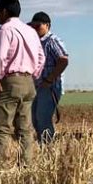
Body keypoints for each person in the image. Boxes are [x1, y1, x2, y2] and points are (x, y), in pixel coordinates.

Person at [0, 0, 45, 164]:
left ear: (5, 11)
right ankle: (26, 165)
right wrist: (33, 75)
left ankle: (2, 166)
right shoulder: (31, 31)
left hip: (11, 81)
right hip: (29, 83)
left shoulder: (5, 30)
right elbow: (41, 57)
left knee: (1, 127)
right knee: (25, 128)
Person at [28, 12, 69, 144]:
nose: (34, 28)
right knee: (35, 119)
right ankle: (43, 146)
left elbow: (63, 60)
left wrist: (50, 79)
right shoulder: (35, 42)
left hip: (49, 86)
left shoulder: (52, 41)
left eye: (38, 25)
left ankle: (48, 149)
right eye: (32, 26)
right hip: (37, 86)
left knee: (43, 118)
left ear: (47, 25)